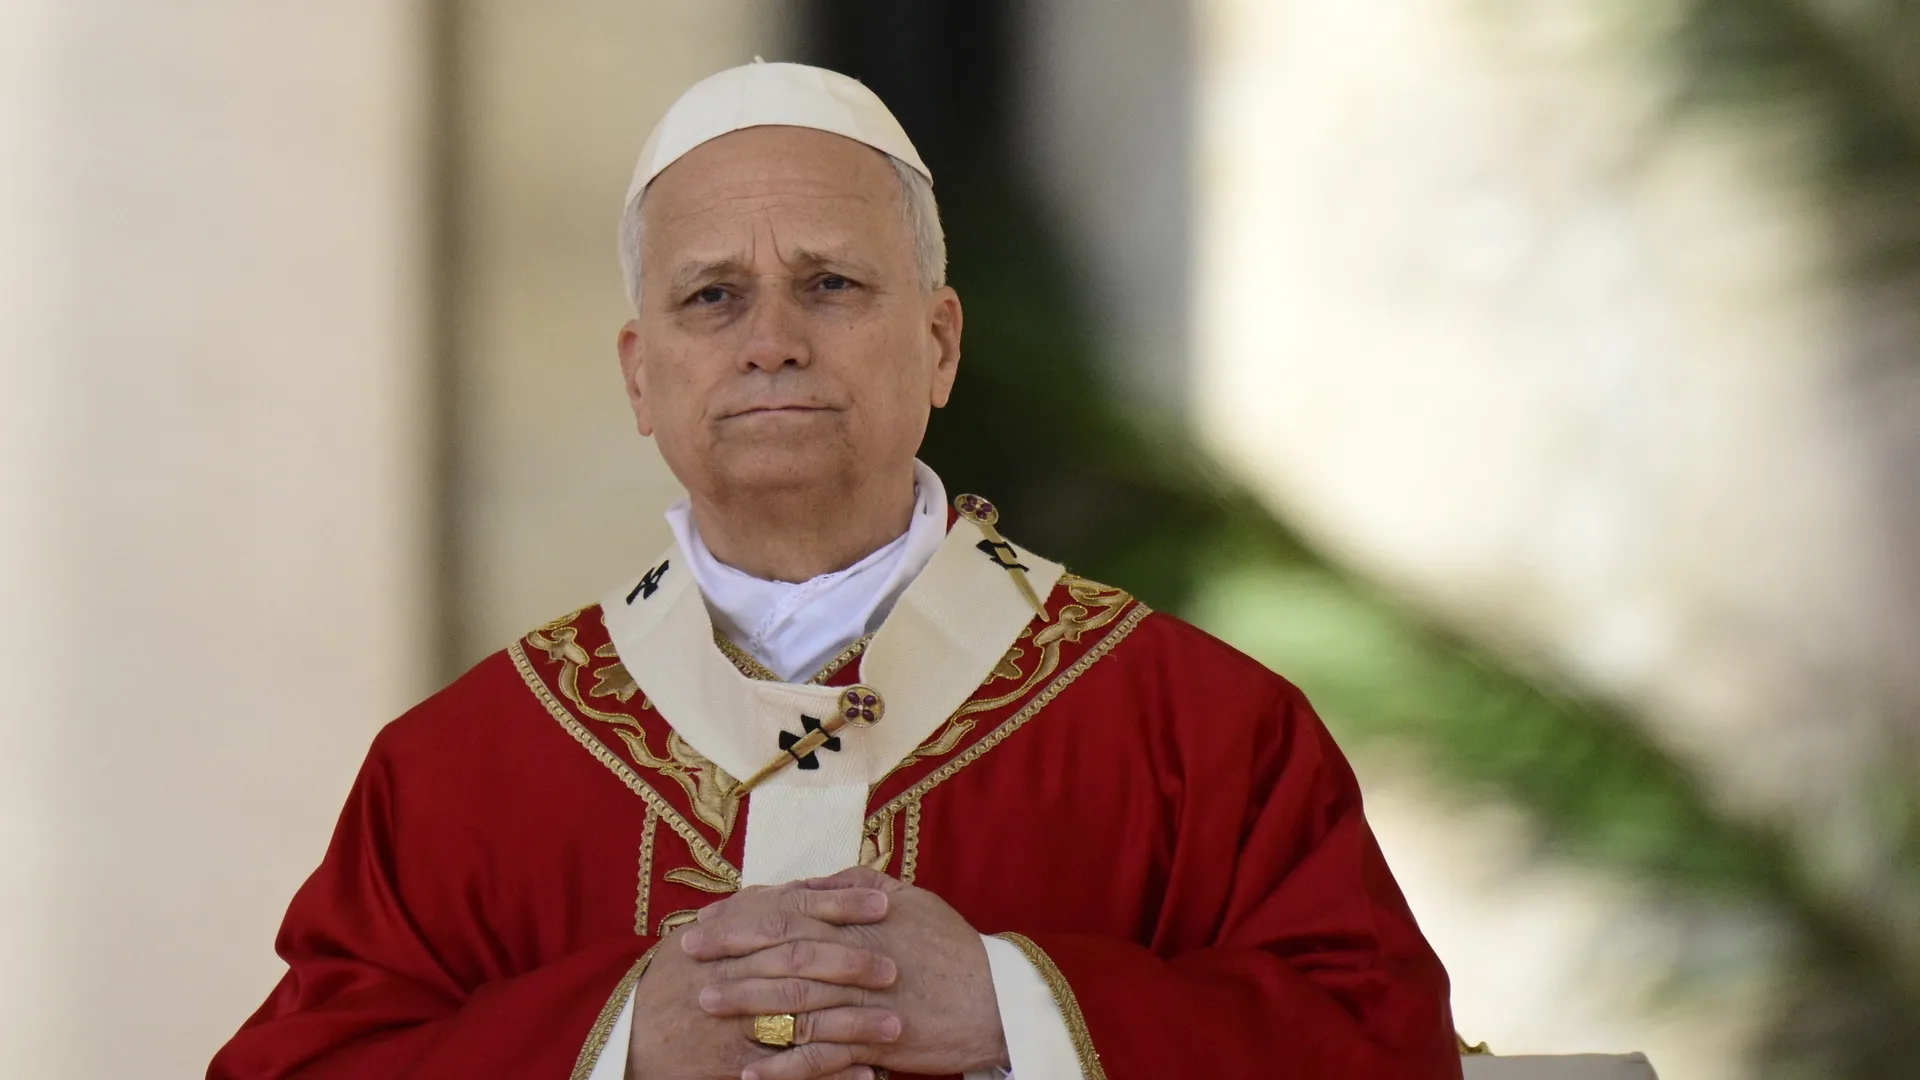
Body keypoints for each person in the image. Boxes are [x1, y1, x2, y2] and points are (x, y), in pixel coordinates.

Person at [209, 61, 1462, 1080]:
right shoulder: (460, 774)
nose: (770, 343)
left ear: (938, 342)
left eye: (830, 284)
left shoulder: (1201, 735)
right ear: (641, 375)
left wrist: (1020, 1012)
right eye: (712, 296)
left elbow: (1382, 1047)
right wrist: (616, 1042)